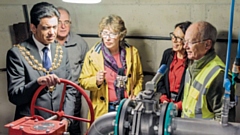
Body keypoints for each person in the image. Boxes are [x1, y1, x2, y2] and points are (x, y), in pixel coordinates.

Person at [6, 2, 75, 130]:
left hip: (57, 125)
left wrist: (67, 118)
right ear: (33, 27)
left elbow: (70, 88)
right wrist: (37, 83)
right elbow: (15, 96)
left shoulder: (62, 51)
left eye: (55, 27)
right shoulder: (17, 54)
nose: (52, 32)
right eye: (46, 28)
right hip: (30, 126)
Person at [79, 14, 143, 119]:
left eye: (113, 34)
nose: (108, 38)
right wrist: (96, 81)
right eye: (105, 33)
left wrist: (135, 94)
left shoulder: (132, 52)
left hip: (127, 106)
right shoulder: (93, 54)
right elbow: (83, 81)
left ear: (121, 35)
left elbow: (139, 76)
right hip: (104, 107)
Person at [181, 21, 235, 121]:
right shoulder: (192, 66)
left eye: (191, 42)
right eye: (185, 41)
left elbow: (224, 124)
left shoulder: (218, 76)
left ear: (207, 44)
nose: (185, 46)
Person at [56, 7, 89, 135]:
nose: (63, 26)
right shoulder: (47, 43)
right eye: (59, 22)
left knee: (73, 126)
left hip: (74, 94)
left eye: (67, 22)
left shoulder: (79, 43)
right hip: (52, 96)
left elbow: (86, 67)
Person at [157, 21, 191, 116]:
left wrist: (178, 106)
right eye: (173, 36)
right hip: (165, 105)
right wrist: (163, 98)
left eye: (178, 38)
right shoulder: (167, 54)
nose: (174, 40)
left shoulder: (193, 61)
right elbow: (160, 79)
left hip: (184, 109)